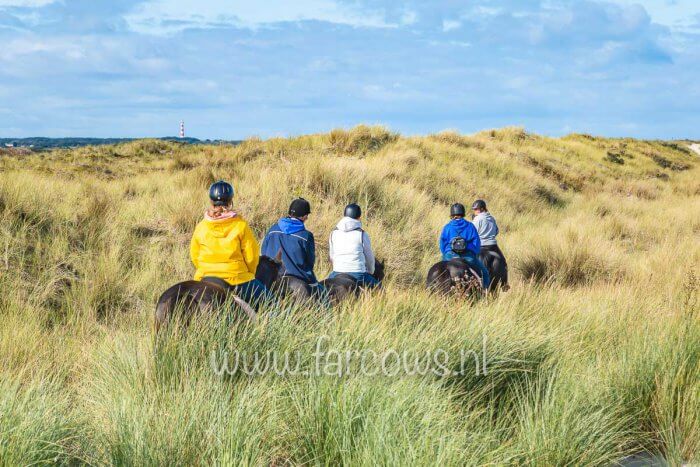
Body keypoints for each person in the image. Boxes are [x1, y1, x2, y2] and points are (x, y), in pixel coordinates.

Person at [190, 181, 268, 308]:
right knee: (272, 303)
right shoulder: (241, 225)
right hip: (236, 278)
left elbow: (194, 255)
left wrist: (205, 269)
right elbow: (251, 256)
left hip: (205, 277)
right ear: (230, 201)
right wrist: (249, 274)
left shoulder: (201, 226)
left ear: (211, 201)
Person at [261, 198, 323, 294]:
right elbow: (310, 262)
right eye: (307, 216)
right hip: (298, 276)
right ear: (304, 216)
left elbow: (263, 251)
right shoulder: (306, 236)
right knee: (323, 295)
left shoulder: (272, 229)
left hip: (271, 276)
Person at [327, 203, 380, 288]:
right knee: (380, 288)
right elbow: (369, 257)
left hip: (337, 272)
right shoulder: (362, 234)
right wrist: (371, 271)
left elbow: (332, 257)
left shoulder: (333, 233)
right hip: (358, 274)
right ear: (359, 217)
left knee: (323, 287)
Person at [439, 203, 490, 289]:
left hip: (450, 255)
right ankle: (484, 292)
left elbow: (442, 243)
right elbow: (476, 243)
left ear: (452, 214)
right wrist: (474, 252)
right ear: (463, 213)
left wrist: (446, 252)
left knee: (440, 271)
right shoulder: (470, 226)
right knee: (484, 273)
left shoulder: (447, 227)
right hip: (467, 256)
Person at [472, 199, 508, 287]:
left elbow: (473, 231)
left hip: (481, 246)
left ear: (481, 208)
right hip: (493, 246)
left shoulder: (477, 219)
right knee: (503, 262)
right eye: (474, 209)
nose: (475, 211)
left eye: (476, 209)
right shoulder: (492, 218)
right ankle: (505, 283)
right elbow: (496, 231)